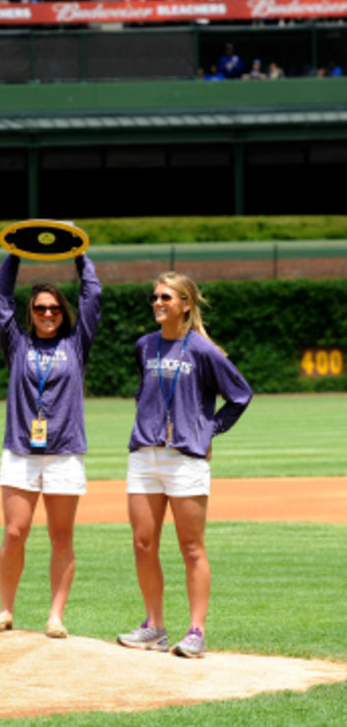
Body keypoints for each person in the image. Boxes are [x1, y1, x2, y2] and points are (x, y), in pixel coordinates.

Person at [116, 272, 252, 659]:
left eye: (166, 297)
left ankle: (196, 631)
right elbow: (147, 395)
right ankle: (154, 627)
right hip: (144, 455)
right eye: (154, 297)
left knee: (191, 547)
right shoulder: (145, 346)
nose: (158, 303)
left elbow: (240, 396)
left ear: (186, 304)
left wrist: (209, 430)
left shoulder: (204, 350)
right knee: (143, 544)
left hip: (185, 460)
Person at [0, 252, 101, 639]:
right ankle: (5, 609)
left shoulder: (76, 343)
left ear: (61, 311)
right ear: (30, 312)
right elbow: (1, 299)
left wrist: (80, 255)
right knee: (15, 532)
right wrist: (15, 253)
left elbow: (93, 297)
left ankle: (55, 616)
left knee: (61, 536)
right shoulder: (16, 343)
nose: (47, 313)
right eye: (39, 308)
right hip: (21, 450)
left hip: (65, 452)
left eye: (53, 308)